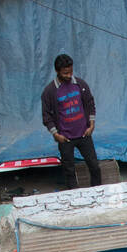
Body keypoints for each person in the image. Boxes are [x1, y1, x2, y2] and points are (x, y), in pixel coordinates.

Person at [40, 54, 101, 190]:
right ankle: (74, 197)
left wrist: (91, 125)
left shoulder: (80, 85)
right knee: (69, 171)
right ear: (57, 71)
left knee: (95, 167)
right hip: (65, 138)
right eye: (65, 73)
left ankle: (98, 193)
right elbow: (46, 116)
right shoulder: (49, 92)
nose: (69, 75)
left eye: (71, 72)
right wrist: (56, 134)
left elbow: (90, 104)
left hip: (84, 134)